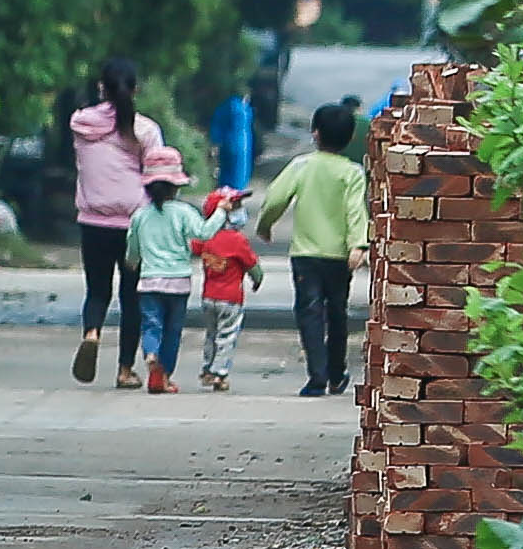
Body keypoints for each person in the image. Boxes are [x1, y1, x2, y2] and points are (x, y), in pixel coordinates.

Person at [252, 98, 370, 397]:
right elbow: (356, 210)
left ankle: (317, 376)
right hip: (340, 256)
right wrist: (359, 245)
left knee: (309, 313)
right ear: (350, 137)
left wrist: (265, 224)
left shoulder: (301, 166)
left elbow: (276, 198)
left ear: (314, 133)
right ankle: (337, 371)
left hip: (305, 255)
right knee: (337, 313)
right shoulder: (352, 172)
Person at [67, 57, 164, 386]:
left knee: (96, 291)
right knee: (132, 297)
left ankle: (92, 333)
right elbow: (158, 175)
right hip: (134, 224)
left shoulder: (81, 124)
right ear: (135, 90)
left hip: (92, 221)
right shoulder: (145, 130)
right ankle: (125, 370)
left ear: (100, 88)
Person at [125, 150, 205, 393]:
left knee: (151, 325)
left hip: (149, 281)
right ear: (176, 186)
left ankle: (150, 354)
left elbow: (133, 248)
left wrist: (132, 262)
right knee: (172, 331)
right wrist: (222, 211)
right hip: (178, 282)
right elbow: (204, 234)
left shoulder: (140, 216)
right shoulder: (184, 212)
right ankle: (166, 376)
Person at [193, 188, 261, 391]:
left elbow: (192, 246)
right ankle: (219, 373)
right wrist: (257, 280)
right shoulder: (237, 240)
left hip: (208, 297)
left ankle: (207, 368)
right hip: (231, 299)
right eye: (236, 207)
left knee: (211, 334)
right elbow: (252, 266)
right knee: (227, 336)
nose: (240, 211)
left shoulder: (205, 237)